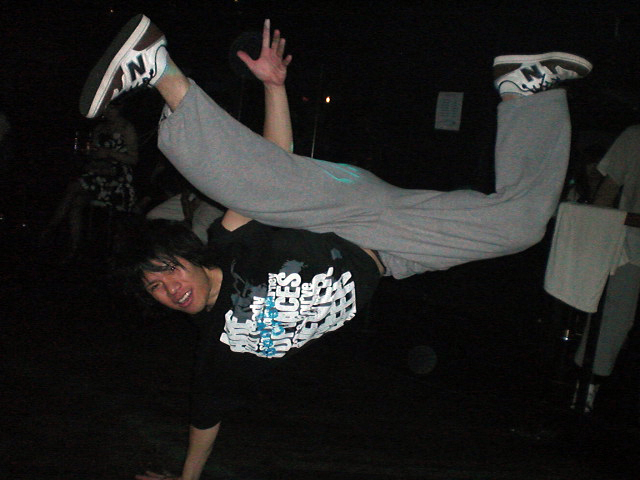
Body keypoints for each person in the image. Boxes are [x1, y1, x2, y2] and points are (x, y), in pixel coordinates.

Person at [80, 14, 591, 480]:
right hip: (392, 252)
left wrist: (274, 91)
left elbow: (272, 166)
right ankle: (527, 92)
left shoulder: (230, 244)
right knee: (520, 225)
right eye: (156, 288)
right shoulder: (221, 348)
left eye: (167, 270)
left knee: (256, 187)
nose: (169, 288)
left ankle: (159, 68)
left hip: (344, 215)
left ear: (188, 257)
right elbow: (204, 418)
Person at [573, 125, 640, 413]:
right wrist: (596, 238)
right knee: (614, 320)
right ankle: (584, 395)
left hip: (630, 244)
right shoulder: (635, 136)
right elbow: (609, 187)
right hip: (631, 247)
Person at [42, 101, 139, 258]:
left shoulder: (126, 128)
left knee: (74, 188)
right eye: (105, 108)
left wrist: (109, 153)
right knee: (76, 200)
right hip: (98, 173)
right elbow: (93, 153)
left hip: (117, 178)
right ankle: (73, 247)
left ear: (119, 108)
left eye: (111, 108)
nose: (107, 112)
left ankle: (49, 229)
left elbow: (134, 159)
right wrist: (93, 160)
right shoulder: (99, 128)